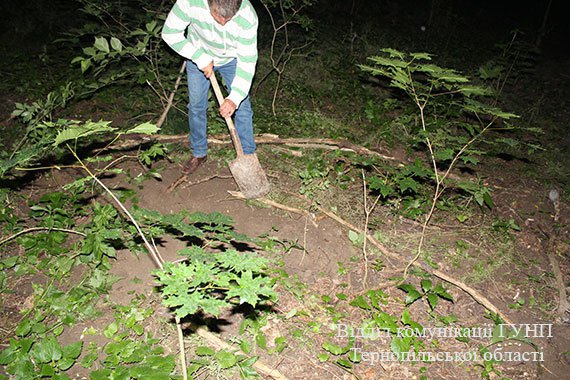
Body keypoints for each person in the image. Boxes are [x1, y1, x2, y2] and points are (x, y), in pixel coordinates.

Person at [162, 0, 258, 173]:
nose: (222, 23)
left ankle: (248, 155)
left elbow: (247, 61)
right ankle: (199, 152)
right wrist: (198, 56)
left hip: (232, 58)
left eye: (228, 19)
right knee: (197, 106)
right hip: (198, 54)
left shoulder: (247, 16)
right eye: (218, 16)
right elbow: (169, 33)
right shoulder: (189, 3)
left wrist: (234, 98)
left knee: (242, 107)